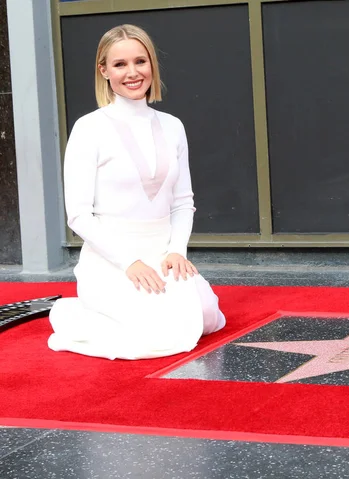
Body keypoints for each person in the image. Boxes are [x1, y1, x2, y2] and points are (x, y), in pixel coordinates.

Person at [48, 24, 226, 360]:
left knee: (206, 317)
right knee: (155, 337)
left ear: (152, 65)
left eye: (140, 61)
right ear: (104, 71)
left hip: (164, 257)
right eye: (120, 64)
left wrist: (176, 251)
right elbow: (78, 215)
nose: (132, 73)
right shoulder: (89, 129)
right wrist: (130, 262)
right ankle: (75, 313)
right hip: (113, 260)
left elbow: (183, 202)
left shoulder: (173, 126)